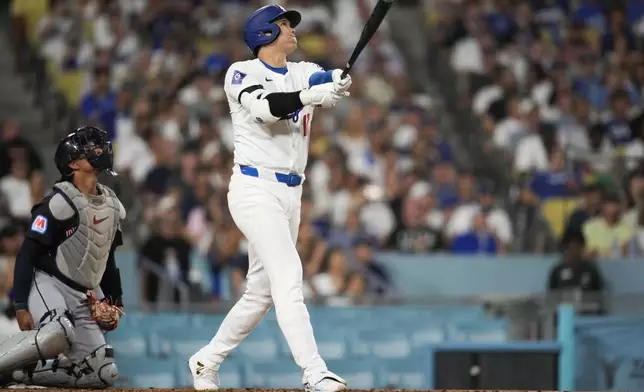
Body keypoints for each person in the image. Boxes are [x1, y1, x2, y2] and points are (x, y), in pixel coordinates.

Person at [189, 4, 351, 391]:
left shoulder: (301, 69)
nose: (291, 30)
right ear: (263, 34)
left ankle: (205, 360)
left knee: (260, 293)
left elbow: (327, 77)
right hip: (253, 188)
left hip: (291, 193)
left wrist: (339, 81)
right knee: (289, 275)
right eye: (282, 24)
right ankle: (314, 372)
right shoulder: (241, 72)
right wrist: (313, 95)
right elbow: (266, 109)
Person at [0, 126, 126, 388]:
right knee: (58, 333)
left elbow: (109, 261)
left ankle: (20, 375)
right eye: (86, 148)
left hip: (83, 294)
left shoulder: (113, 206)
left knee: (104, 372)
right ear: (73, 164)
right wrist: (21, 303)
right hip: (48, 283)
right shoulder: (59, 202)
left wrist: (115, 303)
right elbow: (27, 253)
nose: (96, 149)